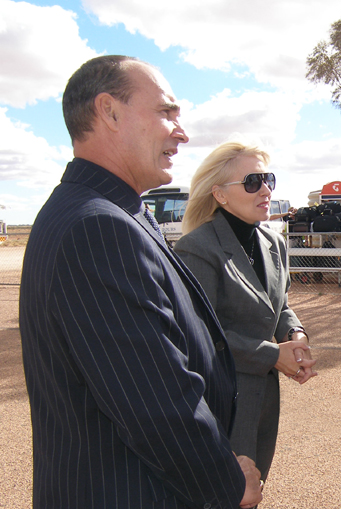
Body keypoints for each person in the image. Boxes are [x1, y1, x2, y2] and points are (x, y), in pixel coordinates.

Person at [19, 55, 262, 509]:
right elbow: (155, 405)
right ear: (109, 111)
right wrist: (227, 481)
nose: (182, 131)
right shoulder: (98, 228)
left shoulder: (103, 211)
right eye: (167, 112)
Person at [174, 141, 316, 486]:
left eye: (268, 179)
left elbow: (279, 306)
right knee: (226, 492)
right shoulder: (197, 248)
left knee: (253, 489)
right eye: (252, 181)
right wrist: (272, 356)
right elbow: (201, 333)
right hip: (220, 401)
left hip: (263, 400)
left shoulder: (273, 242)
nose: (265, 189)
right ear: (219, 194)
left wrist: (295, 336)